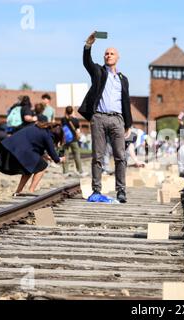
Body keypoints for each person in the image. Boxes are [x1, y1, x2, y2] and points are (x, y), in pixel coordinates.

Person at [78, 31, 133, 203]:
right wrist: (88, 45)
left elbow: (126, 101)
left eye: (112, 53)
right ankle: (96, 190)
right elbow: (87, 62)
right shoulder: (99, 72)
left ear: (118, 57)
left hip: (117, 119)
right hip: (99, 118)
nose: (108, 55)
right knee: (98, 156)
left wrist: (128, 124)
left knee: (120, 156)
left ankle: (121, 191)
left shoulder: (123, 79)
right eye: (106, 53)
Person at [0, 122, 65, 194]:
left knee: (31, 167)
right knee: (42, 166)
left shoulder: (38, 128)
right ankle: (31, 191)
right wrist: (61, 159)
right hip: (18, 149)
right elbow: (55, 157)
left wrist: (44, 155)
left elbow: (33, 143)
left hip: (8, 146)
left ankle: (18, 191)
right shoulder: (48, 136)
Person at [61, 106, 85, 176]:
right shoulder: (75, 120)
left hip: (65, 139)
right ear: (72, 111)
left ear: (65, 111)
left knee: (65, 155)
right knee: (77, 155)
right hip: (74, 139)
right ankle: (80, 171)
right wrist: (74, 116)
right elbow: (77, 129)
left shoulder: (63, 119)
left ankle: (65, 171)